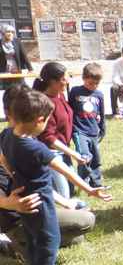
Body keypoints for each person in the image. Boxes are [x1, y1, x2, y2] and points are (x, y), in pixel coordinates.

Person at [0, 89, 111, 265]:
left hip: (26, 200)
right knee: (49, 239)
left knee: (35, 238)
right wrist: (89, 189)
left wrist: (13, 174)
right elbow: (65, 170)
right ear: (39, 120)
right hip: (41, 201)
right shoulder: (35, 148)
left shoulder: (6, 135)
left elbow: (2, 159)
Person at [33, 63, 87, 200]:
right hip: (50, 153)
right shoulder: (45, 103)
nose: (68, 80)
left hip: (63, 150)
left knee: (70, 189)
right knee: (64, 195)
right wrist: (74, 153)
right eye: (64, 78)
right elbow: (48, 138)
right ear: (52, 82)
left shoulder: (60, 96)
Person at [68, 63, 105, 188]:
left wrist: (102, 128)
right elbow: (70, 110)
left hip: (93, 131)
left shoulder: (98, 95)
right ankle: (83, 181)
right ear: (84, 78)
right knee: (84, 156)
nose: (93, 86)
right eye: (90, 83)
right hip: (79, 131)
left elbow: (101, 112)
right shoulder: (75, 92)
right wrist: (71, 128)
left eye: (96, 84)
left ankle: (97, 183)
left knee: (95, 158)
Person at [0, 24, 33, 90]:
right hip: (4, 69)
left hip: (16, 68)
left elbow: (24, 56)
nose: (10, 34)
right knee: (7, 88)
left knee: (21, 87)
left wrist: (30, 69)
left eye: (12, 32)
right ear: (3, 33)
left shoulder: (17, 41)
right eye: (8, 32)